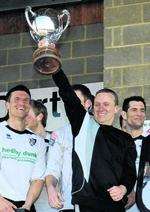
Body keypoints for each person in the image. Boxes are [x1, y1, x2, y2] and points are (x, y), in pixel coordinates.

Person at [50, 67, 136, 212]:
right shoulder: (83, 126)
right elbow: (69, 96)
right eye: (97, 104)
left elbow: (130, 171)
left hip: (115, 205)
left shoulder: (125, 138)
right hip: (87, 204)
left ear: (116, 109)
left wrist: (123, 188)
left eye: (106, 104)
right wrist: (55, 69)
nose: (101, 108)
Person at [45, 84, 93, 212]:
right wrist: (51, 188)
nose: (71, 104)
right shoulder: (59, 134)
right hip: (69, 204)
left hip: (98, 204)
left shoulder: (101, 131)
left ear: (87, 103)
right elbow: (52, 168)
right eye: (68, 101)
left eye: (75, 100)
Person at [0, 85, 46, 212]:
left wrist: (27, 205)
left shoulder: (38, 141)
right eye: (17, 99)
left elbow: (38, 179)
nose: (22, 103)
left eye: (26, 100)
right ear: (7, 104)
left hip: (24, 206)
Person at [25, 99, 57, 212]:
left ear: (39, 117)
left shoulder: (57, 140)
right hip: (27, 205)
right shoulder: (20, 142)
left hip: (52, 205)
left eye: (26, 113)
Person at [121, 96, 149, 211]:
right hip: (121, 204)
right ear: (124, 114)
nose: (139, 113)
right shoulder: (114, 144)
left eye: (142, 110)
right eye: (134, 110)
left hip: (146, 203)